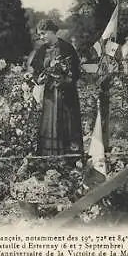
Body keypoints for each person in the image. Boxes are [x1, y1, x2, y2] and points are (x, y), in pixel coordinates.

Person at [33, 20, 84, 156]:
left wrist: (64, 80)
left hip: (65, 95)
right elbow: (36, 71)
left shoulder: (67, 48)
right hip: (49, 96)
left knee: (67, 124)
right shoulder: (42, 50)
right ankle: (48, 157)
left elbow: (76, 72)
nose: (41, 37)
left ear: (52, 32)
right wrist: (39, 79)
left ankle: (69, 157)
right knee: (49, 124)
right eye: (40, 34)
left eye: (43, 33)